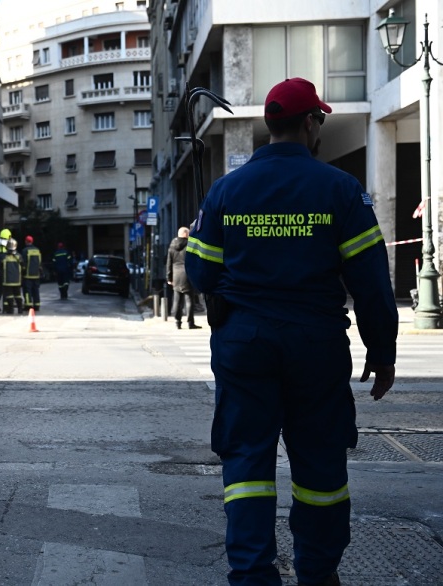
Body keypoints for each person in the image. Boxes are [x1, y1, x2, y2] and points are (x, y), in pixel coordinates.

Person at [184, 77, 398, 586]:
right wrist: (382, 351)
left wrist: (202, 235)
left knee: (247, 468)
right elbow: (371, 281)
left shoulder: (225, 191)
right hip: (315, 347)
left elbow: (200, 276)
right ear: (309, 123)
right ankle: (317, 574)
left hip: (245, 345)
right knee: (320, 470)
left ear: (270, 126)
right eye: (318, 120)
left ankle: (253, 576)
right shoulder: (340, 190)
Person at [167, 226, 200, 330]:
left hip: (176, 275)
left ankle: (177, 322)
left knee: (177, 300)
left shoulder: (172, 245)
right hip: (187, 274)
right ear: (186, 234)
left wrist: (169, 277)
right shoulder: (190, 244)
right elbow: (195, 260)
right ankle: (190, 323)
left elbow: (169, 262)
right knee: (189, 300)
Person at [0, 238, 24, 314]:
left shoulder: (4, 256)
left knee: (9, 296)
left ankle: (10, 310)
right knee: (18, 295)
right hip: (17, 280)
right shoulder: (19, 256)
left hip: (7, 281)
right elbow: (23, 267)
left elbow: (0, 266)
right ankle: (20, 309)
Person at [21, 235, 42, 311]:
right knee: (36, 290)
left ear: (26, 241)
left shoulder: (25, 250)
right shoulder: (37, 250)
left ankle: (28, 305)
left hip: (27, 275)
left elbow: (23, 263)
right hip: (36, 275)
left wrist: (22, 272)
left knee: (27, 291)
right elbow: (39, 262)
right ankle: (37, 305)